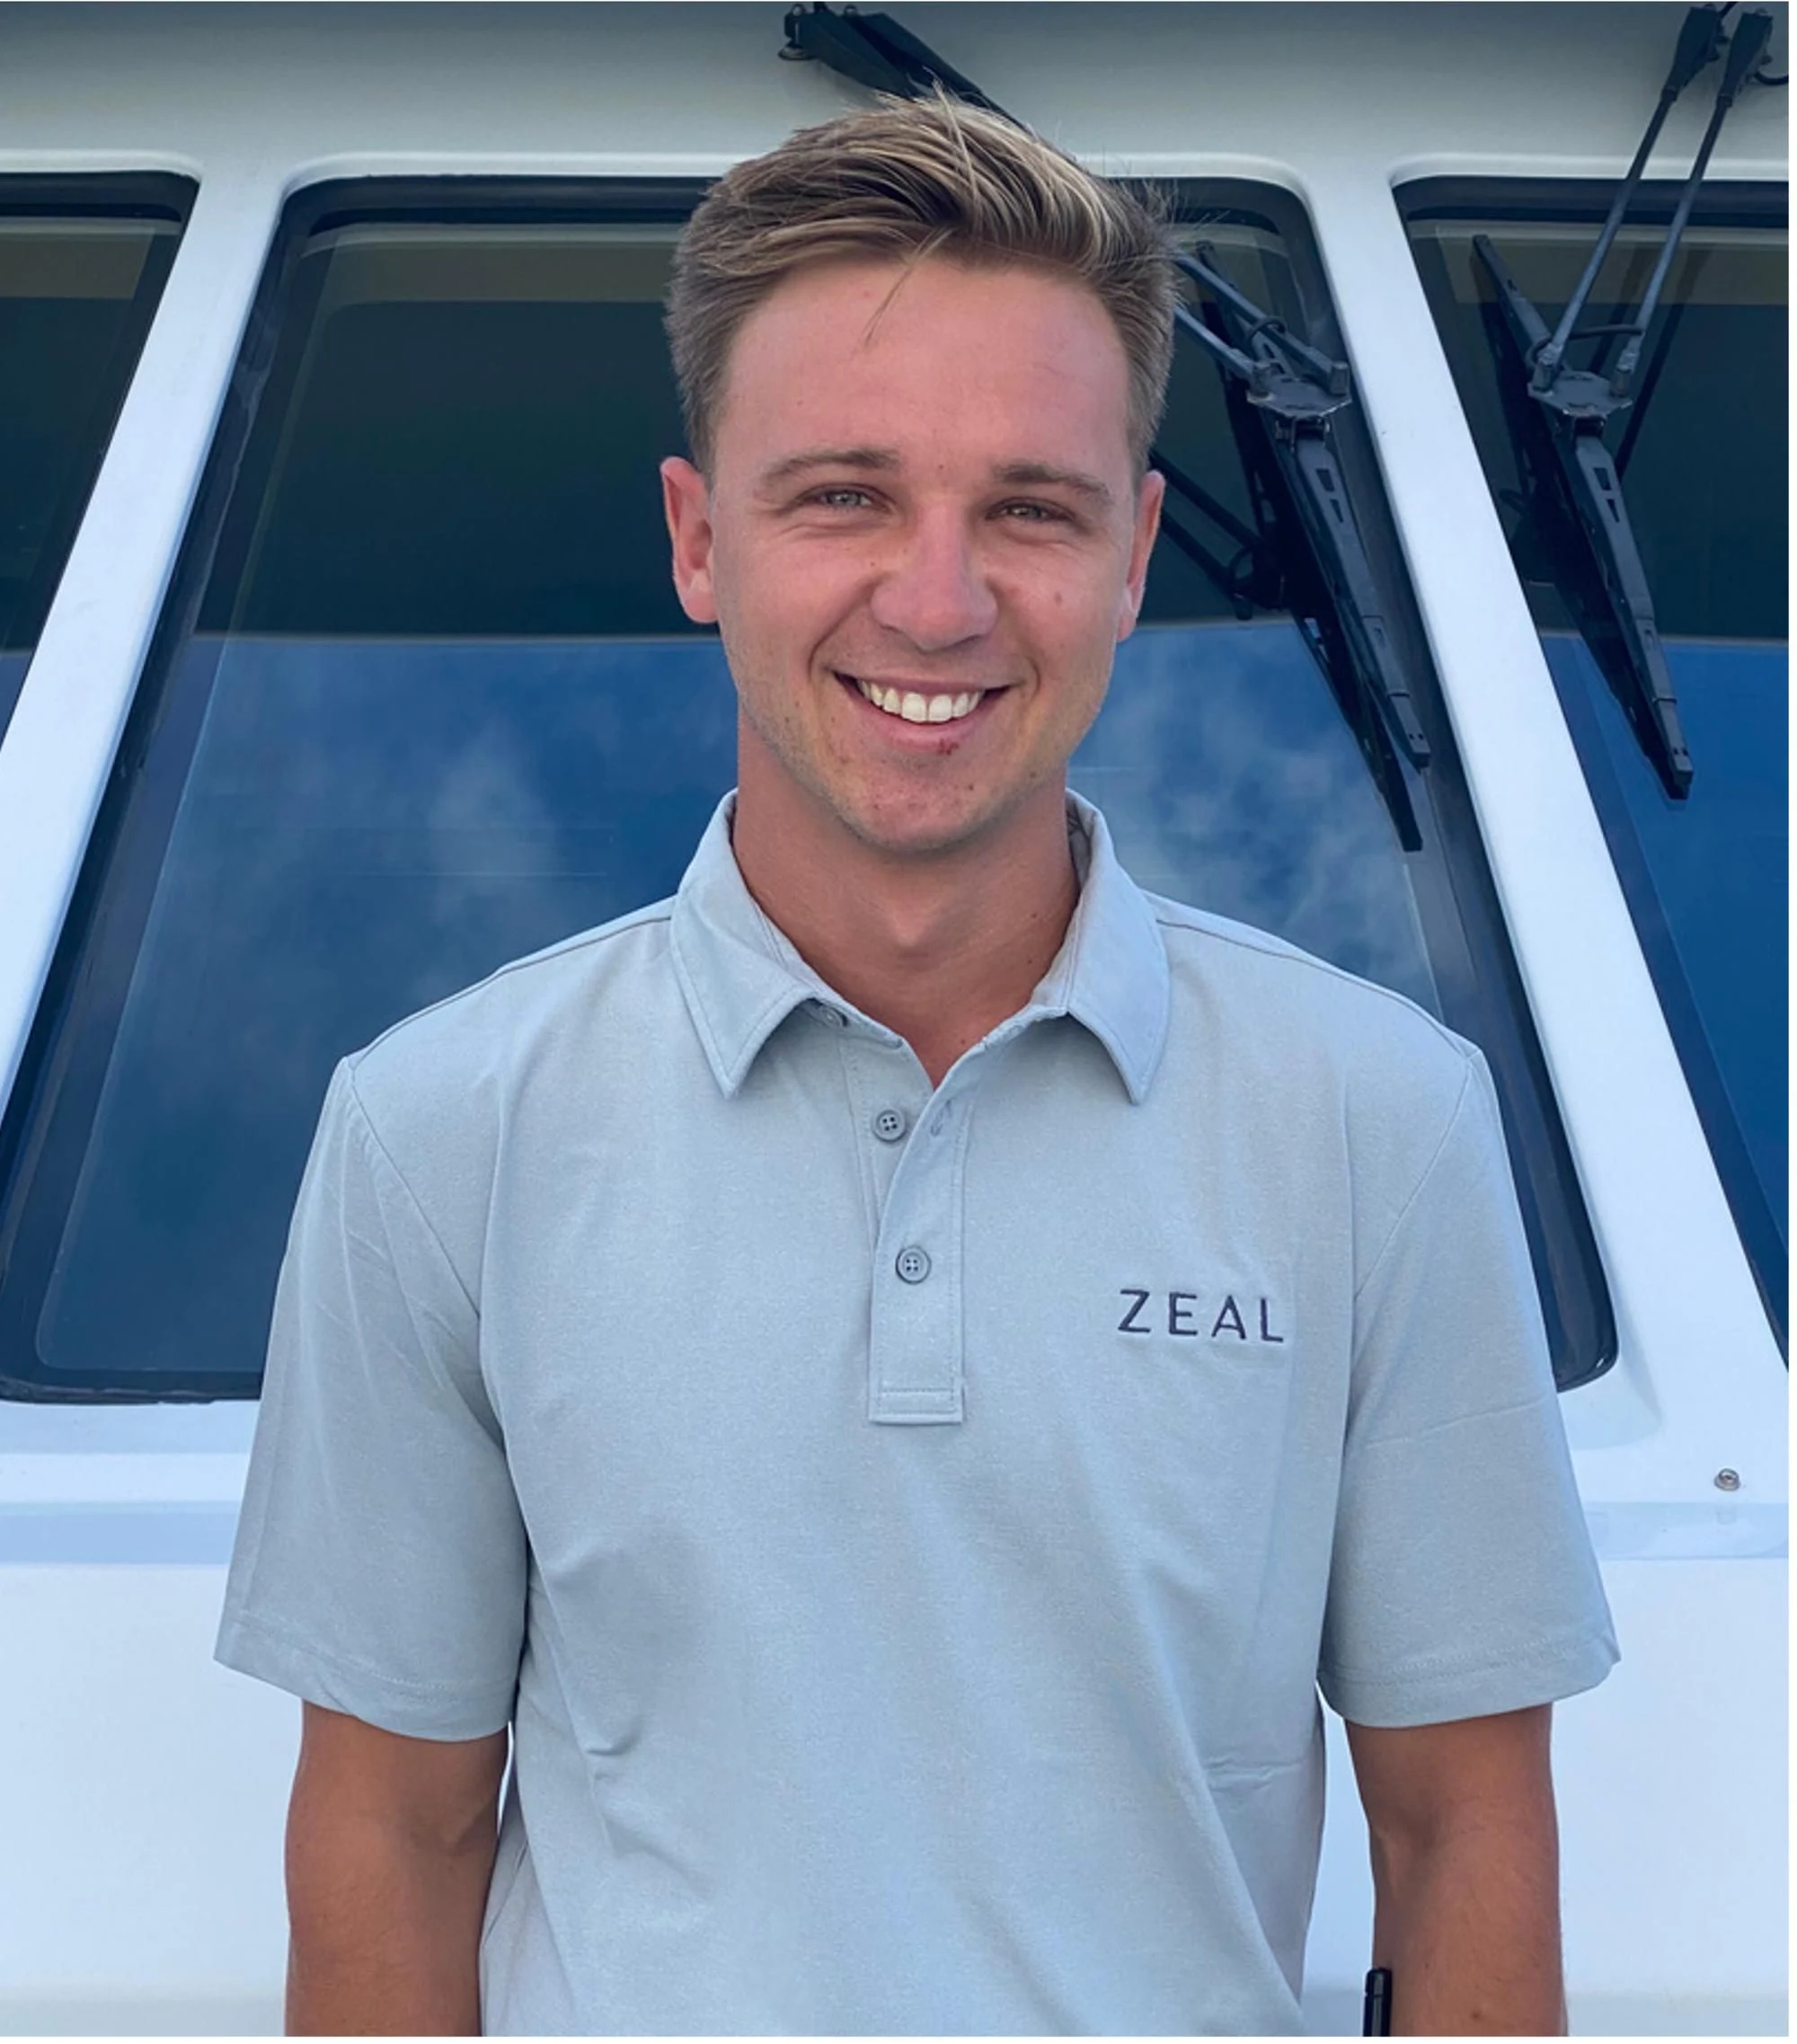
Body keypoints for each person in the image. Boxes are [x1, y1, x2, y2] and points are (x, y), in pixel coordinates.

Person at [217, 97, 1616, 2037]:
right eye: (844, 497)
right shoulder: (437, 1132)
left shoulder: (1380, 1122)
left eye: (1029, 509)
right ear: (701, 539)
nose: (939, 601)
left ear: (1132, 554)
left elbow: (1462, 1829)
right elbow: (394, 1832)